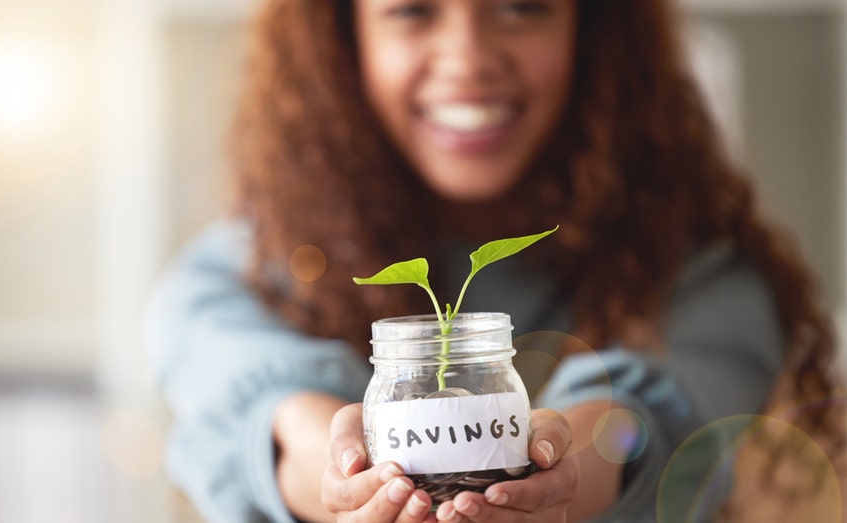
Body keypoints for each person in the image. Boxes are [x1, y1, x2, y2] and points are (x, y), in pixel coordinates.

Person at [145, 0, 844, 521]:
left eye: (521, 5)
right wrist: (339, 473)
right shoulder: (243, 272)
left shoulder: (706, 280)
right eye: (413, 11)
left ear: (593, 30)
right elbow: (254, 399)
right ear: (341, 39)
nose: (469, 58)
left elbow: (658, 422)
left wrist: (556, 469)